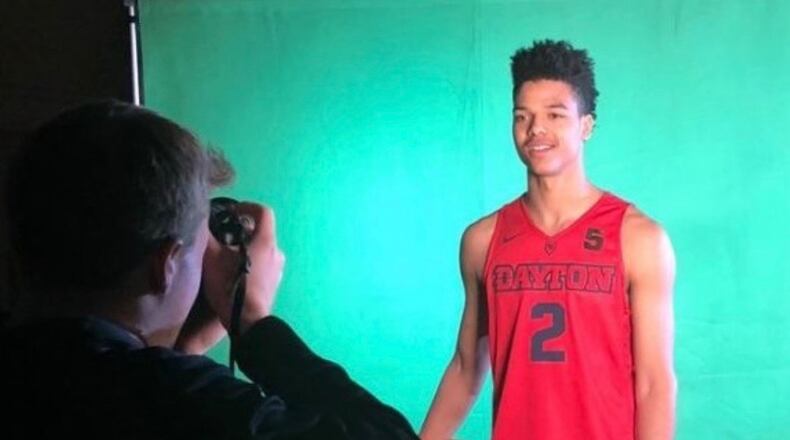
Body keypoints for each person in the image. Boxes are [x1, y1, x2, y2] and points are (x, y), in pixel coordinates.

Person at [0, 100, 419, 440]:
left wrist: (183, 350)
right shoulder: (171, 398)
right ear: (165, 265)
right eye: (203, 245)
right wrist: (253, 322)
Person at [420, 40, 677, 440]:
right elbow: (467, 367)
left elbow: (654, 383)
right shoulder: (482, 241)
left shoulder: (638, 238)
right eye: (522, 116)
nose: (536, 129)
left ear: (586, 125)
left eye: (555, 115)